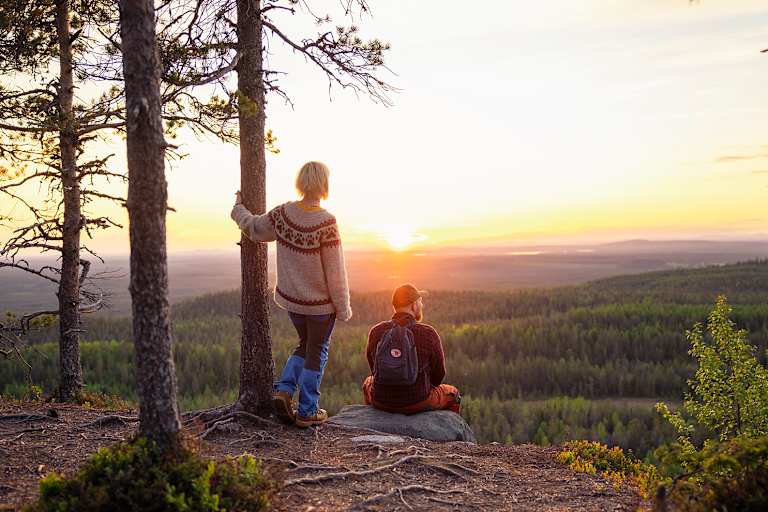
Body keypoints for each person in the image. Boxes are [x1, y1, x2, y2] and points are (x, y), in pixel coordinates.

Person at [231, 161, 352, 428]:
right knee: (317, 351)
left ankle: (284, 390)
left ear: (302, 183)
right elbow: (335, 270)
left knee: (304, 344)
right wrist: (343, 307)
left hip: (293, 303)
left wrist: (238, 208)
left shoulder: (283, 215)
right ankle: (308, 409)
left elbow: (253, 228)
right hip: (321, 306)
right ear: (324, 185)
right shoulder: (327, 222)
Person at [362, 284, 461, 414]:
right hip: (418, 401)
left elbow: (374, 369)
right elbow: (438, 376)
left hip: (380, 400)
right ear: (414, 305)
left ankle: (373, 419)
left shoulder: (376, 331)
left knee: (367, 383)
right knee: (453, 393)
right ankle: (449, 432)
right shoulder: (428, 333)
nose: (422, 305)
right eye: (420, 301)